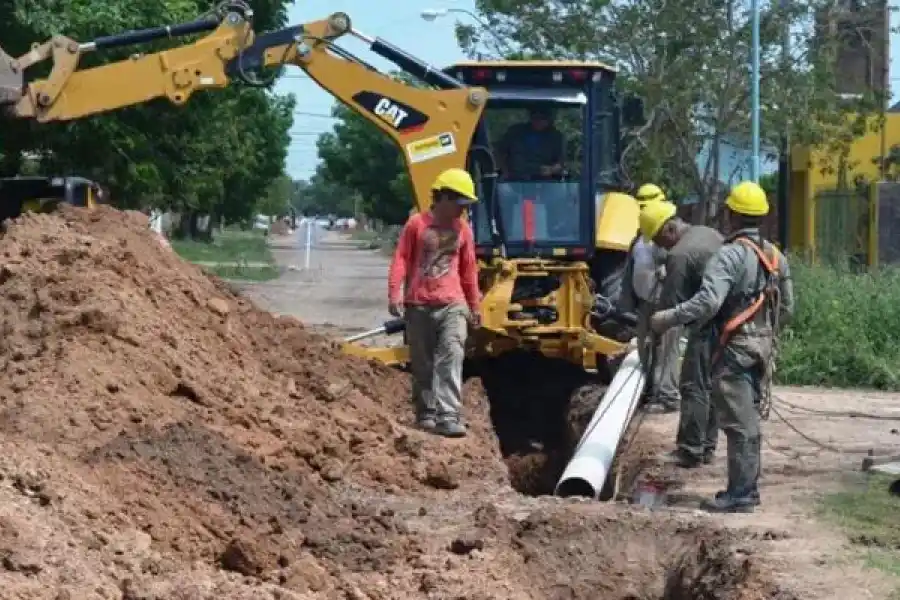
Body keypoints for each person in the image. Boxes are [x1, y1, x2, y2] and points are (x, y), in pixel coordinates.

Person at [648, 181, 795, 512]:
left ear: (730, 215)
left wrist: (668, 318)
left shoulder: (729, 256)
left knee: (738, 424)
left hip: (734, 349)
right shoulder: (775, 256)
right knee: (749, 420)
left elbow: (708, 302)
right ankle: (746, 488)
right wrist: (763, 334)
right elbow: (787, 308)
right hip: (762, 348)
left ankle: (741, 493)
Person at [387, 168, 482, 438]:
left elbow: (468, 269)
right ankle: (426, 412)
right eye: (460, 204)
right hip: (419, 304)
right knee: (422, 362)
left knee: (452, 355)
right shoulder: (417, 224)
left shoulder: (463, 230)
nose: (463, 211)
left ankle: (449, 415)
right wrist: (395, 292)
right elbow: (402, 258)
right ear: (444, 198)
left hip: (453, 304)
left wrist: (475, 306)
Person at [638, 201, 724, 468]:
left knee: (693, 385)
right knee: (710, 386)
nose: (660, 247)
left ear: (670, 227)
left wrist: (655, 329)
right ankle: (706, 446)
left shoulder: (679, 255)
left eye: (660, 239)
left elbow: (671, 308)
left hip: (709, 324)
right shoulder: (707, 233)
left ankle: (690, 450)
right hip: (731, 321)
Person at [617, 183, 681, 412]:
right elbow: (630, 269)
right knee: (646, 350)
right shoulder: (639, 237)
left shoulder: (668, 235)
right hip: (645, 303)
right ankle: (649, 391)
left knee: (666, 351)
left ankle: (667, 397)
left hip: (667, 304)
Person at [497, 107, 565, 180]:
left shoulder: (556, 137)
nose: (538, 121)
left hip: (543, 183)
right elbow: (499, 153)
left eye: (542, 118)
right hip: (514, 179)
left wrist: (551, 169)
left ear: (549, 119)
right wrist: (505, 172)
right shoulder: (515, 132)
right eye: (535, 117)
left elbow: (561, 163)